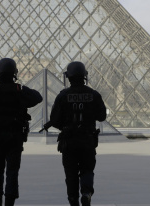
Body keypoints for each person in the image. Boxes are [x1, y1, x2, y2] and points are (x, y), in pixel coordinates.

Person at [0, 58, 42, 206]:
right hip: (15, 137)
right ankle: (9, 203)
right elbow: (38, 98)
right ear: (14, 73)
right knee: (12, 171)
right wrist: (21, 88)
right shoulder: (19, 91)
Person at [43, 61, 106, 206]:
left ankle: (73, 200)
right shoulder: (94, 95)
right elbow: (102, 116)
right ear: (84, 76)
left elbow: (55, 120)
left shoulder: (63, 95)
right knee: (87, 169)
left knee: (70, 174)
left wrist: (65, 126)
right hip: (88, 140)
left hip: (69, 142)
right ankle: (86, 192)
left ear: (68, 77)